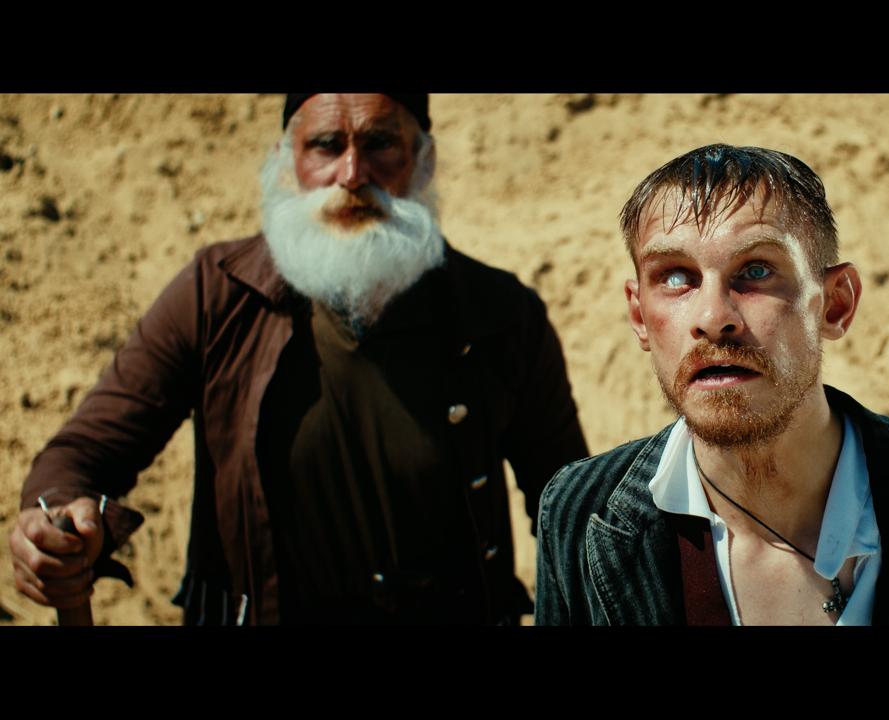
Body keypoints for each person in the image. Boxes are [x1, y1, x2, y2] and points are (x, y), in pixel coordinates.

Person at [9, 93, 588, 625]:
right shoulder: (217, 294)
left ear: (424, 159)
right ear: (288, 162)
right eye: (326, 146)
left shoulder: (500, 314)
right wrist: (57, 514)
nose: (353, 174)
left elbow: (574, 508)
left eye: (380, 143)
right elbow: (84, 454)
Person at [534, 144, 889, 625]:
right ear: (639, 316)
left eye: (755, 271)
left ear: (835, 304)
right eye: (675, 277)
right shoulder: (581, 512)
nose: (713, 317)